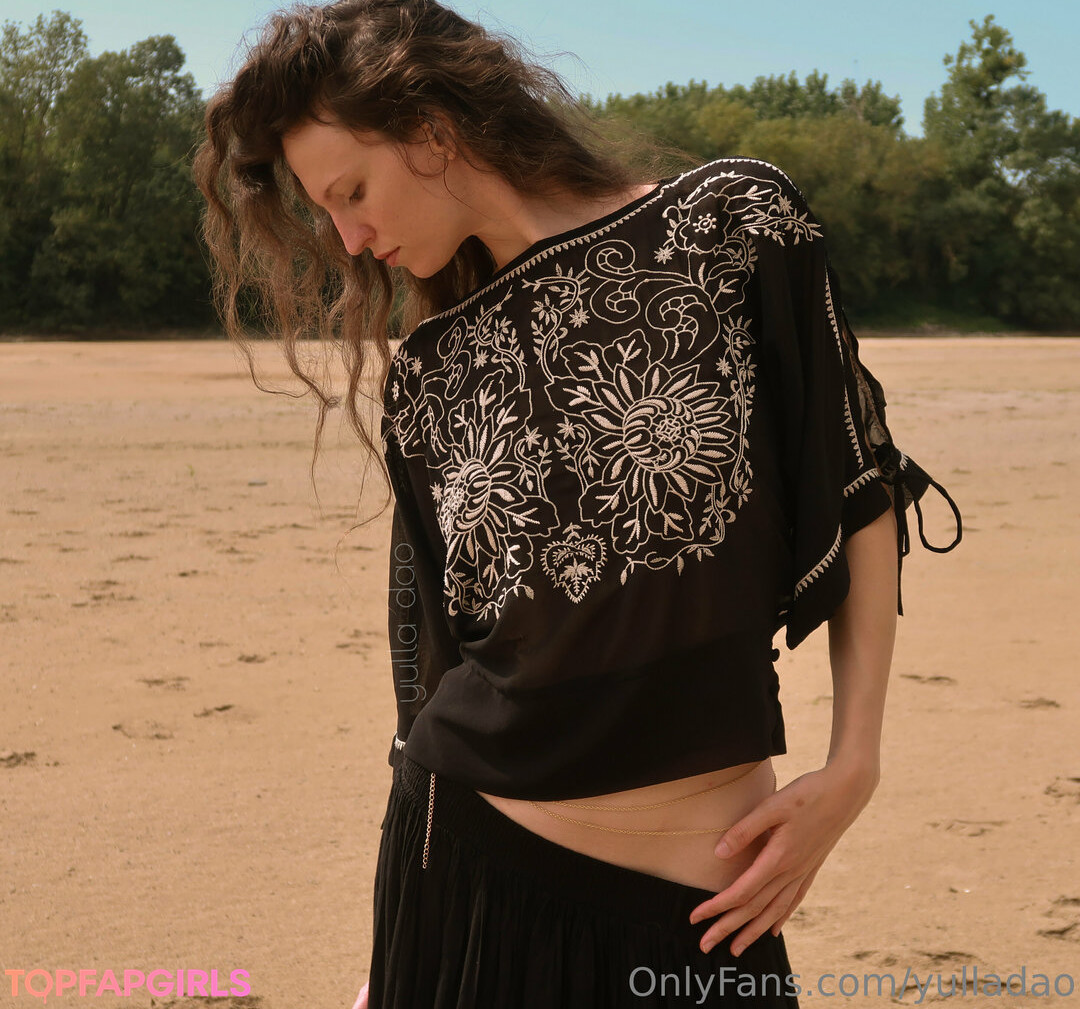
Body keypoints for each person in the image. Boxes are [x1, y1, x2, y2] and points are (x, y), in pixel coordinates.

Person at [194, 2, 963, 1006]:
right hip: (468, 880)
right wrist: (399, 962)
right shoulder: (431, 371)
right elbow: (432, 659)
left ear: (431, 130)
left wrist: (853, 765)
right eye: (324, 213)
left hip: (711, 915)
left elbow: (859, 481)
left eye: (352, 192)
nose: (348, 236)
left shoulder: (730, 226)